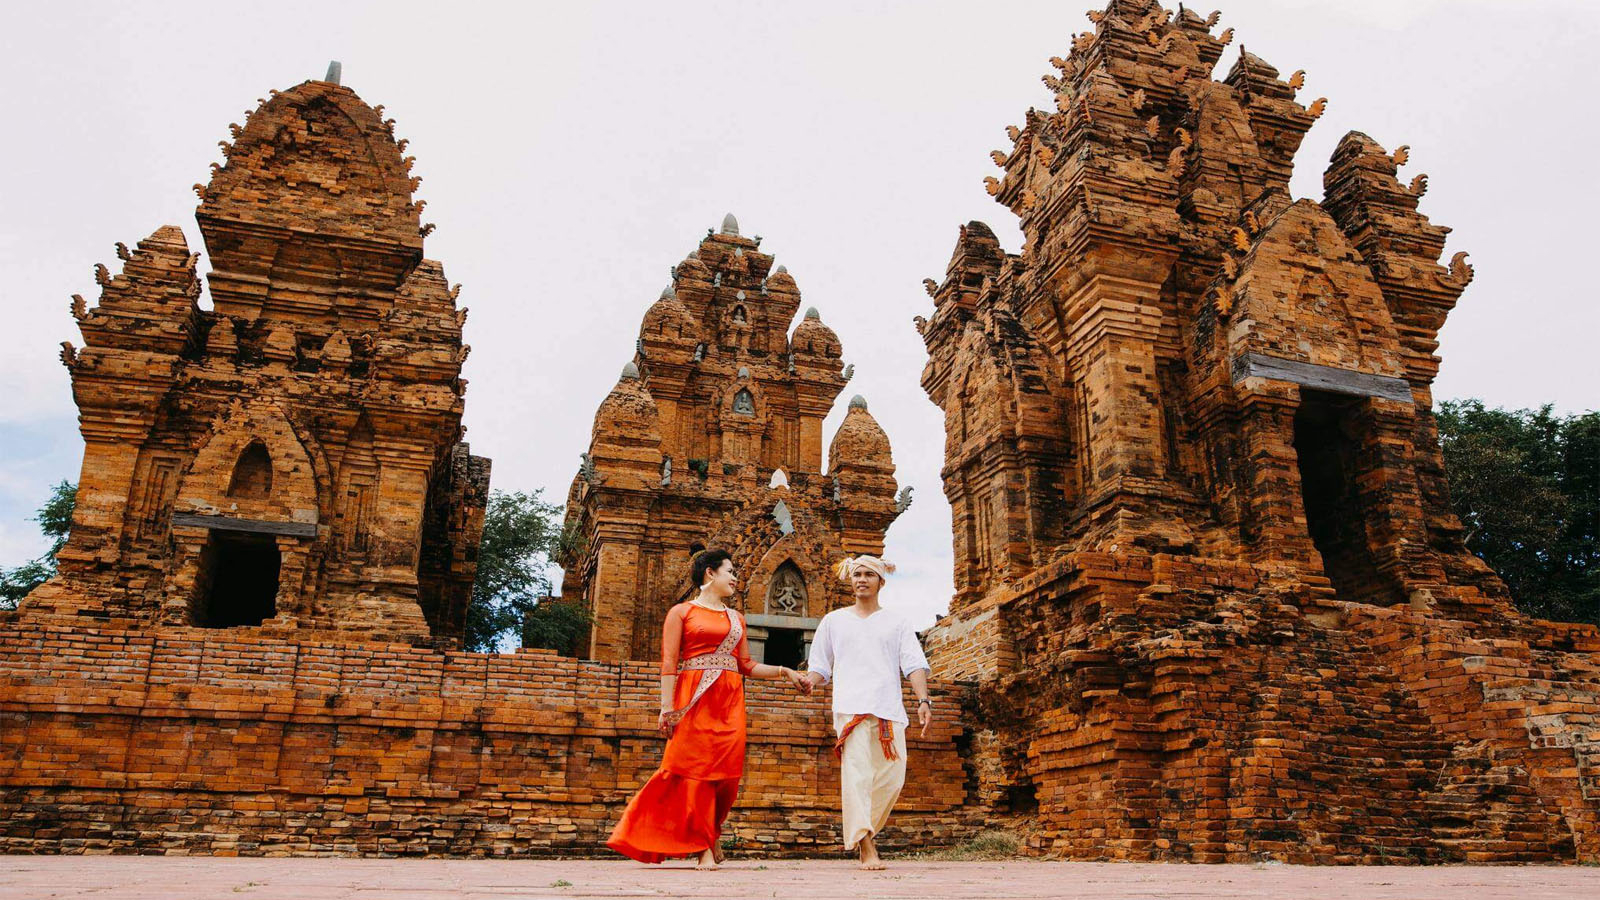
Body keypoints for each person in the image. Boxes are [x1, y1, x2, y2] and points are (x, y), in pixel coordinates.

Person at [607, 548, 810, 869]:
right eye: (730, 571)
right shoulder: (681, 612)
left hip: (729, 700)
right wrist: (666, 706)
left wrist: (785, 671)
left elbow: (746, 664)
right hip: (694, 699)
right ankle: (702, 847)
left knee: (726, 776)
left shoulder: (736, 618)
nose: (735, 578)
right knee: (695, 773)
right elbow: (669, 663)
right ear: (710, 574)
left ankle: (710, 833)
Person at [799, 554, 932, 870]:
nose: (861, 579)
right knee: (857, 778)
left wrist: (924, 700)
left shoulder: (897, 622)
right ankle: (865, 844)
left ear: (880, 581)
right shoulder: (834, 620)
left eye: (868, 575)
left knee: (892, 779)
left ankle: (864, 830)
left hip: (889, 710)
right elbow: (820, 665)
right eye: (856, 574)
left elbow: (913, 664)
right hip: (851, 710)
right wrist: (808, 682)